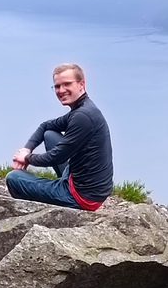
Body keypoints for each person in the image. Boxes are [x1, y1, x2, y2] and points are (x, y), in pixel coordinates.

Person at [6, 63, 113, 210]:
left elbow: (56, 157)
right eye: (57, 86)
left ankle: (54, 198)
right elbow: (45, 126)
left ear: (81, 84)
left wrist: (26, 158)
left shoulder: (82, 116)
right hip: (82, 181)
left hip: (83, 196)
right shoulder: (82, 108)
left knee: (13, 178)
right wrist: (26, 149)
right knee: (50, 134)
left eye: (67, 84)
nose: (61, 90)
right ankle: (59, 186)